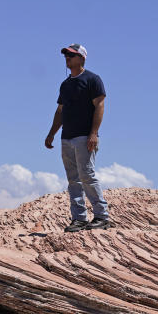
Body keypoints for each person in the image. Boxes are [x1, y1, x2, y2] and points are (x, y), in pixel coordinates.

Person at [45, 43, 110, 232]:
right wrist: (52, 133)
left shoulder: (92, 79)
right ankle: (79, 219)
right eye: (66, 55)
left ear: (82, 58)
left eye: (71, 55)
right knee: (73, 179)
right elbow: (60, 110)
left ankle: (101, 216)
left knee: (86, 175)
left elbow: (100, 105)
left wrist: (93, 133)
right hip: (67, 137)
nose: (67, 58)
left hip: (84, 136)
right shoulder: (65, 84)